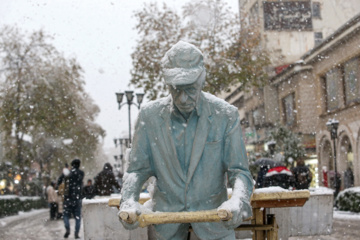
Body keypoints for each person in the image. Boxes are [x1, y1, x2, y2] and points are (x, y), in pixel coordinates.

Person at [119, 41, 254, 240]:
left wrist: (238, 201)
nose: (182, 98)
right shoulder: (150, 116)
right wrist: (128, 200)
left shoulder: (225, 115)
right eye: (176, 89)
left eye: (190, 89)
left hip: (215, 220)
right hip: (166, 221)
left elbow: (240, 171)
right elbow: (136, 171)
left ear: (202, 79)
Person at [59, 159, 84, 239]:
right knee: (77, 217)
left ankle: (67, 228)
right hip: (77, 197)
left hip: (68, 198)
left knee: (66, 215)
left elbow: (59, 181)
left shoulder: (68, 173)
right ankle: (76, 233)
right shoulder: (81, 173)